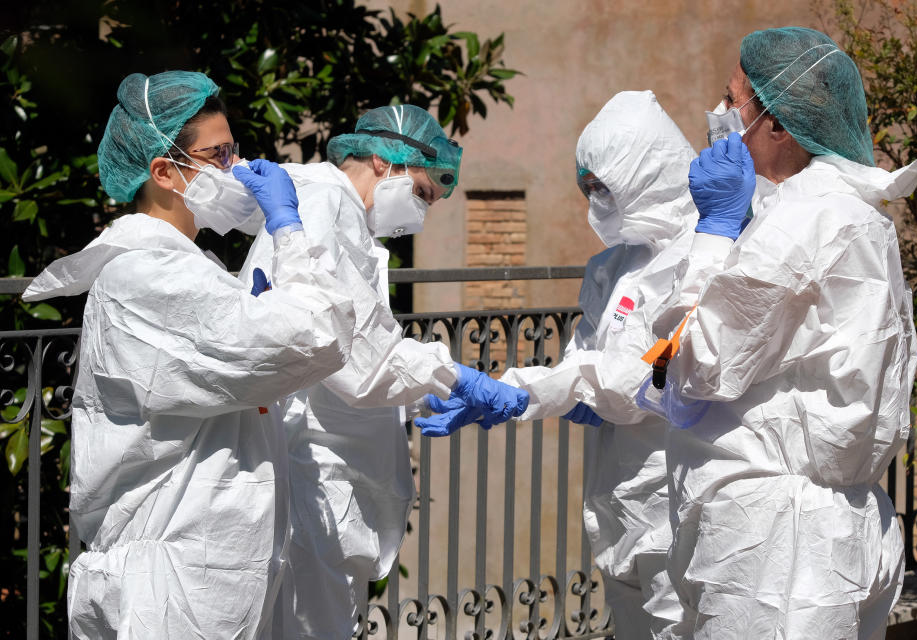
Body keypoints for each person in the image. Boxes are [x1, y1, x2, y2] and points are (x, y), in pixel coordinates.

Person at [22, 71, 357, 639]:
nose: (237, 168)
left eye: (234, 150)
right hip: (171, 588)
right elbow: (319, 332)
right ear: (164, 172)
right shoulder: (148, 275)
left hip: (200, 576)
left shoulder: (184, 270)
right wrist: (288, 230)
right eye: (219, 154)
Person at [655, 27, 917, 639]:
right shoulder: (852, 213)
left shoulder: (803, 220)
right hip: (827, 534)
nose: (719, 114)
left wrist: (715, 231)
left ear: (776, 125)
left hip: (774, 550)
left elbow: (693, 361)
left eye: (732, 100)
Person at [238, 103, 529, 638]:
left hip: (331, 472)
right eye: (421, 192)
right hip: (313, 474)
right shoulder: (325, 205)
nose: (421, 211)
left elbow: (362, 346)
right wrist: (454, 376)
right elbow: (354, 355)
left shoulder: (347, 217)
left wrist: (423, 393)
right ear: (382, 159)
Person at [480, 91, 698, 637]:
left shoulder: (709, 254)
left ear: (645, 171)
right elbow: (587, 348)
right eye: (588, 187)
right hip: (618, 490)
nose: (594, 200)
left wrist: (538, 390)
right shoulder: (612, 264)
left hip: (676, 491)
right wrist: (572, 384)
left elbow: (660, 372)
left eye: (604, 186)